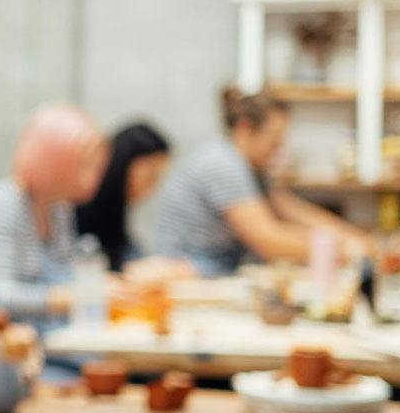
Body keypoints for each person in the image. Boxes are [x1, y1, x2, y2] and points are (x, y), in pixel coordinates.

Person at [150, 87, 367, 276]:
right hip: (187, 269)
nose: (278, 149)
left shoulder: (251, 168)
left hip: (215, 266)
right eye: (274, 141)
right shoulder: (223, 164)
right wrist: (343, 247)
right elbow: (267, 239)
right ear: (245, 129)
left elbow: (290, 209)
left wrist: (356, 238)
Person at [0, 103, 108, 321]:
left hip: (46, 342)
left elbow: (68, 273)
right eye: (84, 164)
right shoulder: (0, 204)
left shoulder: (59, 210)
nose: (93, 178)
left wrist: (104, 287)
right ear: (53, 159)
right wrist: (67, 298)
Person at [75, 121, 172, 272]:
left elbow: (127, 250)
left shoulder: (120, 206)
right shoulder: (85, 201)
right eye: (150, 176)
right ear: (124, 164)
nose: (154, 186)